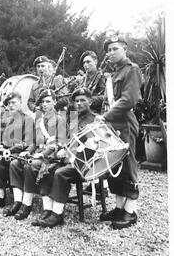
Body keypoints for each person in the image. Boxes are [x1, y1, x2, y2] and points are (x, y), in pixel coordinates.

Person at [34, 87, 96, 228]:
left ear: (90, 102)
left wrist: (69, 153)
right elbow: (65, 139)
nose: (79, 104)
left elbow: (94, 147)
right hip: (70, 159)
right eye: (76, 101)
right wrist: (62, 148)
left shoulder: (95, 120)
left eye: (83, 100)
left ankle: (57, 214)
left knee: (60, 173)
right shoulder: (72, 118)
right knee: (47, 167)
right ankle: (48, 209)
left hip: (86, 162)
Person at [97, 34, 142, 229]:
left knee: (129, 166)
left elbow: (128, 101)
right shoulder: (114, 74)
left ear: (125, 49)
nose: (111, 53)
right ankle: (118, 208)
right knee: (115, 165)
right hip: (114, 125)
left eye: (115, 48)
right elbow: (109, 99)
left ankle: (130, 212)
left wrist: (105, 116)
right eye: (108, 50)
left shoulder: (132, 70)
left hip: (125, 123)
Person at [9, 89, 66, 220]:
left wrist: (43, 154)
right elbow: (34, 142)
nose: (44, 104)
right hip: (37, 153)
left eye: (48, 101)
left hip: (53, 156)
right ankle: (19, 200)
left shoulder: (60, 119)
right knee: (15, 163)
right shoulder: (39, 119)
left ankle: (28, 204)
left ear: (55, 102)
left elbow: (59, 142)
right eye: (42, 102)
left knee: (31, 166)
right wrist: (28, 151)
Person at [0, 91, 34, 211]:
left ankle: (18, 200)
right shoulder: (7, 120)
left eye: (13, 102)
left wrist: (9, 149)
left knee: (2, 162)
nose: (10, 105)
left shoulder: (28, 119)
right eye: (9, 103)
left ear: (21, 103)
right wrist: (0, 146)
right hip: (9, 151)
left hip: (22, 152)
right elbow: (2, 138)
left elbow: (27, 142)